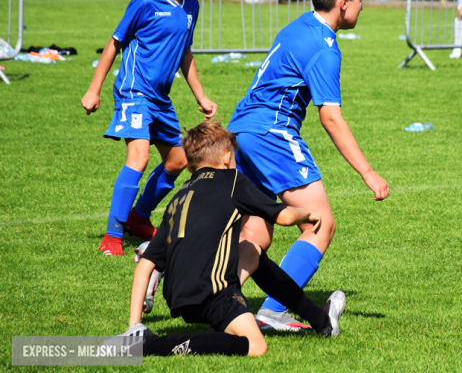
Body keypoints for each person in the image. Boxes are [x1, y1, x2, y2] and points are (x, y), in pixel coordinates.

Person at [227, 0, 389, 331]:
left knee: (256, 232)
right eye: (362, 0)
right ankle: (272, 310)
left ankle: (214, 297)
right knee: (320, 224)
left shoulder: (299, 24)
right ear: (344, 3)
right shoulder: (324, 48)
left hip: (243, 132)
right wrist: (368, 172)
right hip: (273, 134)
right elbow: (330, 118)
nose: (364, 7)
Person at [124, 120, 345, 357]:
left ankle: (322, 322)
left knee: (251, 250)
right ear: (228, 158)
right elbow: (284, 216)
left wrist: (134, 325)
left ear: (190, 166)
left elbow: (145, 265)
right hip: (214, 292)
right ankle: (153, 346)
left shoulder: (178, 198)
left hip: (179, 296)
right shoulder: (232, 181)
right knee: (255, 346)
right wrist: (308, 212)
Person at [81, 0, 217, 256]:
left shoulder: (191, 7)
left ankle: (138, 217)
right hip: (133, 91)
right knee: (139, 157)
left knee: (179, 159)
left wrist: (201, 95)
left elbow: (185, 53)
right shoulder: (144, 2)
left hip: (160, 97)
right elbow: (114, 44)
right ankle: (112, 238)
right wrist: (93, 89)